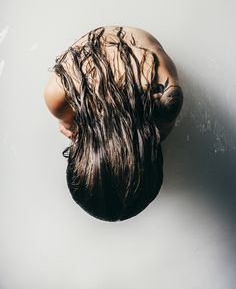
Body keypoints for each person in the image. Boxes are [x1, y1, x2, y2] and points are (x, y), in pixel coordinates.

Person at [44, 26, 183, 221]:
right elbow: (67, 126)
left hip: (123, 52)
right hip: (99, 55)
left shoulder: (165, 103)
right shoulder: (59, 96)